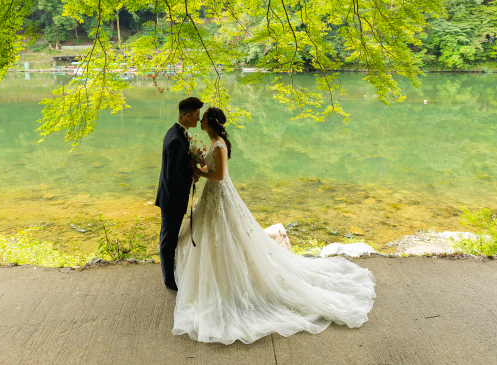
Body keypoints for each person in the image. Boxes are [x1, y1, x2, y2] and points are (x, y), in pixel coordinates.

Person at [172, 107, 376, 344]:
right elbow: (212, 170)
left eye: (204, 119)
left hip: (219, 196)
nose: (200, 121)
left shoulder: (218, 145)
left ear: (212, 123)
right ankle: (217, 281)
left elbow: (220, 177)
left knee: (227, 237)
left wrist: (197, 170)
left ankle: (231, 284)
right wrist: (199, 169)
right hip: (212, 197)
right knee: (215, 237)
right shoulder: (213, 142)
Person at [155, 96, 204, 291]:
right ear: (187, 115)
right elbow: (172, 175)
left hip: (171, 196)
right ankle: (169, 279)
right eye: (197, 116)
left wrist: (189, 164)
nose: (199, 120)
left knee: (169, 235)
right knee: (168, 238)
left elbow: (176, 166)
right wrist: (191, 178)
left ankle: (170, 272)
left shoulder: (178, 133)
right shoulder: (176, 139)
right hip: (172, 198)